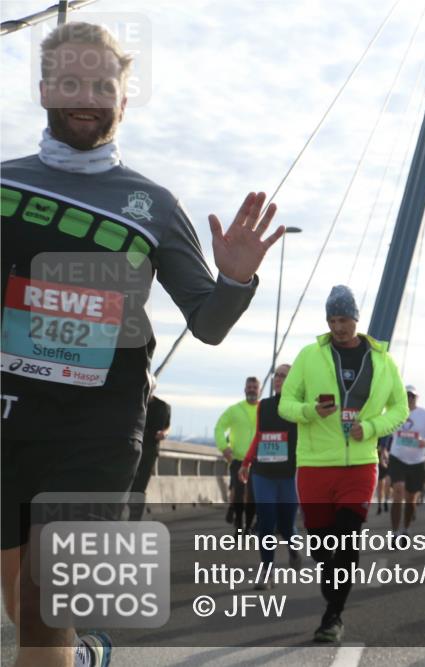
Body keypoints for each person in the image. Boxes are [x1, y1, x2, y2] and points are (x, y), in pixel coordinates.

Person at [0, 21, 283, 667]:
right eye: (70, 82)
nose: (85, 96)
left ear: (122, 101)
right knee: (22, 606)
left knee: (44, 621)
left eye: (101, 85)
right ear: (44, 88)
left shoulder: (151, 204)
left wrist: (235, 278)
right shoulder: (5, 181)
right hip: (8, 418)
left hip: (96, 431)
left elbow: (207, 323)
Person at [278, 285, 408, 643]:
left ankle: (332, 616)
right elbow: (285, 404)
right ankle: (331, 591)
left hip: (360, 465)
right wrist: (309, 411)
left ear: (356, 318)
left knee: (348, 541)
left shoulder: (382, 360)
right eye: (333, 320)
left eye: (344, 319)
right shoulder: (309, 356)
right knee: (321, 548)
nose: (339, 327)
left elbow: (400, 409)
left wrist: (370, 428)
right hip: (315, 465)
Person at [239, 364, 301, 589]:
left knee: (285, 525)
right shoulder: (263, 406)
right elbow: (259, 435)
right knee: (266, 521)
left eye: (283, 376)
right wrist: (246, 462)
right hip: (263, 472)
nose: (278, 379)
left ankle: (294, 549)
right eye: (277, 375)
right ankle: (267, 571)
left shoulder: (299, 408)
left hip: (289, 474)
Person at [387, 386, 425, 539]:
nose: (410, 398)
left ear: (417, 398)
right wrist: (383, 450)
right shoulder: (396, 412)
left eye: (412, 396)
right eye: (407, 395)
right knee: (398, 491)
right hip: (397, 458)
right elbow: (386, 434)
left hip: (417, 462)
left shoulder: (424, 415)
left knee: (411, 500)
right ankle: (395, 533)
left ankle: (406, 528)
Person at [215, 376, 260, 534]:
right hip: (238, 460)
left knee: (252, 495)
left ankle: (248, 525)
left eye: (255, 387)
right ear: (244, 389)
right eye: (249, 387)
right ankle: (238, 525)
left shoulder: (263, 409)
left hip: (258, 461)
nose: (252, 390)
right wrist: (224, 448)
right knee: (239, 493)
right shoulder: (234, 410)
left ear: (259, 390)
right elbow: (219, 428)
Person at [128, 393, 171, 521]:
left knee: (140, 486)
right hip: (131, 448)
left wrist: (164, 433)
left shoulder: (163, 406)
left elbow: (167, 426)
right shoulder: (133, 402)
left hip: (150, 450)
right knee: (128, 483)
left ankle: (133, 520)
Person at [375, 435, 392, 515]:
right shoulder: (377, 434)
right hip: (378, 458)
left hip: (389, 459)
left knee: (387, 483)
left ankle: (385, 500)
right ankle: (379, 505)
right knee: (380, 484)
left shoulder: (391, 434)